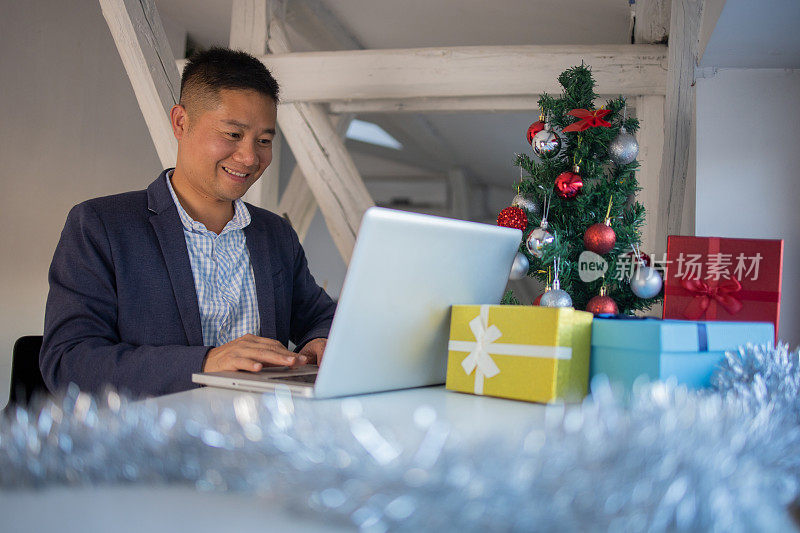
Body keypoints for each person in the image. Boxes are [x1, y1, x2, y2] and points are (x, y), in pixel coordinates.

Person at [40, 48, 336, 397]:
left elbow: (321, 316)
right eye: (232, 134)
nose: (250, 157)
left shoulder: (275, 234)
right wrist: (206, 362)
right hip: (156, 441)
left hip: (262, 435)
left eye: (265, 141)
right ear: (181, 122)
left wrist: (320, 338)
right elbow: (68, 362)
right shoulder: (100, 226)